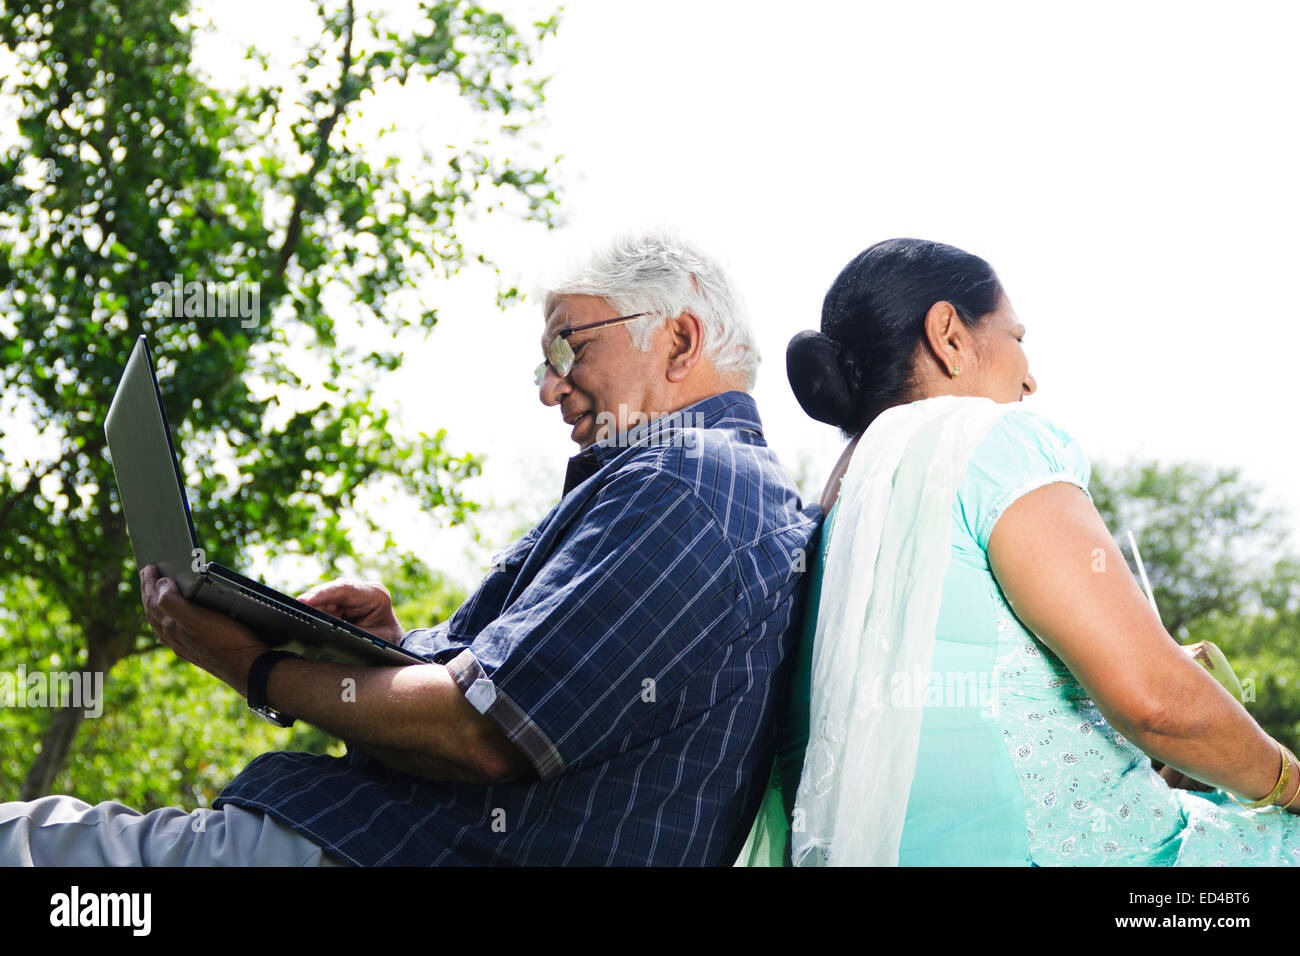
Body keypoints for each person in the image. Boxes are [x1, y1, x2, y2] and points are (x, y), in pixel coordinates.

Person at [0, 229, 821, 866]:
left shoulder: (692, 482)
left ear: (677, 340)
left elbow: (485, 732)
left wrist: (252, 668)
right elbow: (510, 687)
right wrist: (392, 650)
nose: (547, 386)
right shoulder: (698, 489)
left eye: (569, 347)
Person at [740, 237, 1300, 866]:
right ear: (949, 335)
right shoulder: (989, 439)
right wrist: (1290, 782)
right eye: (1017, 337)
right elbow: (1158, 705)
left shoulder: (826, 518)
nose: (1031, 378)